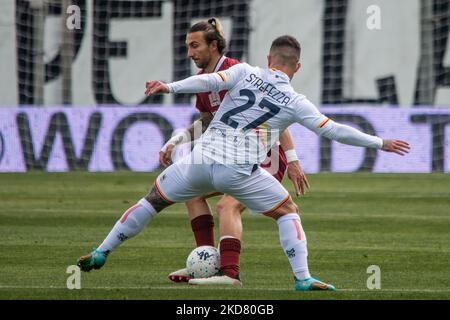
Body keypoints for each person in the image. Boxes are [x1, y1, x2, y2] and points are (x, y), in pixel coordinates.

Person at [78, 35, 410, 291]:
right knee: (287, 211)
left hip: (200, 159)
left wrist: (169, 86)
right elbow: (334, 131)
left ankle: (101, 251)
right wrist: (380, 142)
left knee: (153, 200)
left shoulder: (243, 71)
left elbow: (208, 82)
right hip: (239, 171)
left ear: (269, 59)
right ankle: (303, 278)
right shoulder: (296, 102)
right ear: (297, 67)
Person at [161, 18, 309, 283]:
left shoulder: (238, 72)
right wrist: (176, 140)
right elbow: (206, 121)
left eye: (195, 46)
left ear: (213, 46)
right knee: (191, 193)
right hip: (229, 157)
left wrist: (294, 160)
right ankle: (205, 261)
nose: (190, 53)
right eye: (188, 46)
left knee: (227, 205)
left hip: (267, 156)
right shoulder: (203, 82)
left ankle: (230, 273)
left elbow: (277, 119)